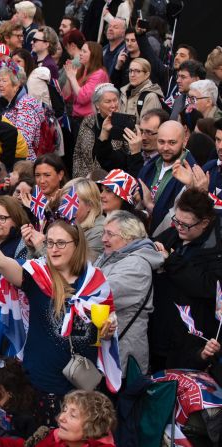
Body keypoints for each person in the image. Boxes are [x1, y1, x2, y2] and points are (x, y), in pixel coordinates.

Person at [0, 208, 117, 425]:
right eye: (50, 242)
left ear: (77, 245)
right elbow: (1, 261)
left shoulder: (96, 282)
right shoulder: (37, 275)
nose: (53, 249)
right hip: (40, 381)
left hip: (80, 385)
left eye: (61, 243)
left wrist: (108, 331)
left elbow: (104, 328)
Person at [150, 188, 222, 371]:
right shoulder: (174, 235)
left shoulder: (216, 248)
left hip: (189, 340)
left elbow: (209, 286)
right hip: (159, 329)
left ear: (204, 222)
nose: (179, 227)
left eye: (186, 224)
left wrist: (172, 261)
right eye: (176, 221)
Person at [94, 211, 162, 374]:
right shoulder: (111, 256)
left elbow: (99, 294)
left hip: (123, 359)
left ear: (129, 238)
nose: (103, 238)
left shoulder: (137, 265)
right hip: (108, 352)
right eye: (104, 232)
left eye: (110, 234)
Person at [0, 390, 117, 447]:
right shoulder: (52, 437)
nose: (62, 418)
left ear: (94, 427)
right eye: (64, 410)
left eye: (73, 415)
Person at [137, 120, 196, 235]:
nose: (165, 148)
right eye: (161, 142)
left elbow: (184, 218)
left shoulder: (191, 172)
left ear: (184, 141)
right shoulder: (150, 166)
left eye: (172, 142)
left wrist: (151, 207)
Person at [0, 60, 44, 160]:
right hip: (10, 156)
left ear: (16, 85)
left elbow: (24, 140)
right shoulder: (4, 103)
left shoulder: (26, 105)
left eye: (4, 81)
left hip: (23, 162)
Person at [73, 83, 126, 178]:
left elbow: (126, 158)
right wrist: (78, 179)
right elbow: (78, 153)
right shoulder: (88, 121)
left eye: (115, 100)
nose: (113, 105)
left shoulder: (123, 124)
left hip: (111, 181)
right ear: (97, 105)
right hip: (87, 181)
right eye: (108, 101)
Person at [63, 41, 110, 123]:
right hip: (76, 118)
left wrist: (72, 78)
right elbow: (66, 96)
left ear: (93, 55)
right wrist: (69, 77)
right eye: (81, 50)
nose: (80, 53)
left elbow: (82, 98)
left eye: (84, 51)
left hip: (89, 121)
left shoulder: (99, 74)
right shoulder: (82, 69)